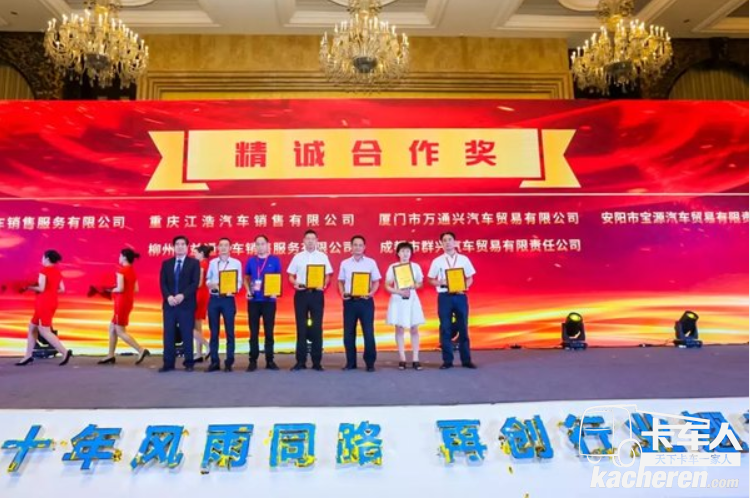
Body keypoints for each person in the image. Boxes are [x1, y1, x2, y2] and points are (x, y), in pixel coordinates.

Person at [427, 232, 477, 370]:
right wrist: (440, 282)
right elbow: (430, 279)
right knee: (445, 328)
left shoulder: (464, 259)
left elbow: (470, 277)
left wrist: (465, 287)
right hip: (444, 297)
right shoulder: (437, 261)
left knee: (463, 327)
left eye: (450, 239)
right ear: (441, 244)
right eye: (444, 240)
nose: (447, 242)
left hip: (460, 296)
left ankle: (466, 360)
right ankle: (447, 361)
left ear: (455, 242)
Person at [16, 250, 73, 366]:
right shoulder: (57, 272)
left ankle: (64, 352)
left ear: (47, 258)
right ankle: (28, 356)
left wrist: (29, 287)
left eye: (43, 257)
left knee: (44, 331)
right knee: (32, 327)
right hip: (51, 302)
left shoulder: (44, 270)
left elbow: (41, 288)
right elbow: (62, 289)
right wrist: (50, 292)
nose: (42, 259)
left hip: (44, 303)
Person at [286, 229, 333, 371]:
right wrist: (295, 283)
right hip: (301, 295)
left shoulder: (322, 257)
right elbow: (290, 275)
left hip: (316, 295)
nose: (310, 241)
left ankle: (317, 362)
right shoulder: (297, 257)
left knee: (317, 327)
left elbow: (328, 275)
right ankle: (300, 361)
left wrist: (323, 285)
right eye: (308, 238)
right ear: (304, 241)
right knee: (301, 327)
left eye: (313, 238)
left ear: (317, 241)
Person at [98, 248, 150, 365]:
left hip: (120, 303)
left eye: (120, 256)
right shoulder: (132, 271)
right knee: (112, 328)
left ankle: (140, 350)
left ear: (124, 257)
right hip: (128, 302)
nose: (119, 258)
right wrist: (118, 288)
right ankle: (110, 355)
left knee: (120, 331)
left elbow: (120, 288)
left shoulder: (121, 271)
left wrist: (110, 289)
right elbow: (136, 289)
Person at [338, 235, 381, 372]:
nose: (357, 247)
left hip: (365, 301)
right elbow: (340, 281)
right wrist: (342, 293)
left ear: (364, 247)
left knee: (368, 332)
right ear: (351, 247)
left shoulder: (371, 263)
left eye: (360, 245)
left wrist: (371, 293)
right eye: (355, 245)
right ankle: (351, 362)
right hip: (350, 302)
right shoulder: (345, 263)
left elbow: (376, 281)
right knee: (348, 333)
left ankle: (370, 363)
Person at [159, 235, 199, 372]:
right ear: (173, 247)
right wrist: (168, 296)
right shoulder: (167, 264)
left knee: (187, 334)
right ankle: (168, 363)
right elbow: (163, 283)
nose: (180, 246)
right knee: (169, 334)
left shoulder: (194, 263)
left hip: (186, 304)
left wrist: (183, 295)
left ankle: (189, 363)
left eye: (183, 244)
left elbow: (194, 283)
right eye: (177, 244)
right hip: (169, 304)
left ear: (187, 247)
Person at [384, 242, 425, 370]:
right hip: (398, 299)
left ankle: (416, 359)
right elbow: (387, 285)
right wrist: (398, 291)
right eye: (402, 251)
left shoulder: (415, 266)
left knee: (414, 328)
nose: (405, 254)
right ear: (398, 253)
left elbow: (420, 283)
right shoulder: (393, 267)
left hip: (412, 298)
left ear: (411, 253)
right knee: (399, 329)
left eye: (407, 251)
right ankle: (402, 358)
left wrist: (414, 285)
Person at [243, 234, 282, 371]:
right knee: (253, 332)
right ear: (255, 246)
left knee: (269, 332)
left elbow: (277, 279)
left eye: (262, 243)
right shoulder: (251, 261)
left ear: (268, 245)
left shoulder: (275, 261)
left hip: (269, 301)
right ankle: (252, 360)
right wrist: (248, 290)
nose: (260, 246)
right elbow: (246, 278)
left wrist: (275, 292)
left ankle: (270, 360)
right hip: (254, 301)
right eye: (258, 244)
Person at [205, 237, 243, 372]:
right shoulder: (212, 263)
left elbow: (239, 282)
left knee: (230, 332)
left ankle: (229, 361)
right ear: (218, 248)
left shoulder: (236, 263)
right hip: (214, 299)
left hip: (228, 299)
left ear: (230, 248)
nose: (223, 248)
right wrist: (212, 284)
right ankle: (214, 361)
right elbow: (207, 280)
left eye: (226, 245)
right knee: (214, 332)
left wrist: (233, 289)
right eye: (221, 245)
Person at [191, 244, 213, 363]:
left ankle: (207, 345)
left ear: (201, 253)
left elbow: (198, 283)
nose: (194, 255)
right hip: (203, 295)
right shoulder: (206, 263)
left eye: (196, 253)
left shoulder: (201, 264)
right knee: (197, 326)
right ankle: (198, 354)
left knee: (189, 325)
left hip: (198, 295)